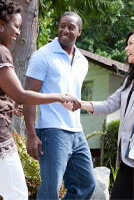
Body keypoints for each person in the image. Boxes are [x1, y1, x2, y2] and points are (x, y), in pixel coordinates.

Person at [0, 0, 80, 200]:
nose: (19, 32)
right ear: (1, 24)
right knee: (18, 194)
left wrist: (10, 102)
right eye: (16, 26)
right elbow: (20, 94)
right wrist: (59, 96)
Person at [67, 28, 134, 200]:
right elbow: (109, 105)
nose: (126, 48)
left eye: (130, 44)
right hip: (128, 155)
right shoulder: (132, 78)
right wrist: (79, 104)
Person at [23, 11, 96, 199]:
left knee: (86, 184)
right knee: (50, 190)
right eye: (62, 25)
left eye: (70, 27)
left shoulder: (83, 62)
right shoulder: (43, 55)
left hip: (76, 132)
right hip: (51, 131)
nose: (65, 30)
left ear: (79, 31)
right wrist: (31, 135)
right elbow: (29, 96)